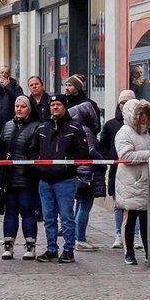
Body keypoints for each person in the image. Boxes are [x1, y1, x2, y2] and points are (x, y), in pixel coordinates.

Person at [35, 95, 92, 262]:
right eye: (52, 105)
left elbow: (82, 152)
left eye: (58, 104)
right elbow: (32, 150)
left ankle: (68, 249)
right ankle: (51, 248)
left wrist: (66, 165)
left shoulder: (75, 128)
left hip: (65, 180)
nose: (55, 108)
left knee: (67, 216)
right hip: (45, 181)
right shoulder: (42, 128)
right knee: (48, 217)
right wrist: (39, 167)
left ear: (64, 107)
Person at [0, 96, 42, 260]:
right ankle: (8, 245)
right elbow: (1, 149)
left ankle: (30, 246)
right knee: (10, 212)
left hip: (27, 179)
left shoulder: (36, 127)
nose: (19, 109)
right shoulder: (8, 126)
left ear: (29, 109)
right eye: (17, 106)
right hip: (8, 178)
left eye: (23, 106)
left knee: (28, 212)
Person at [112, 98, 150, 265]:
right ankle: (128, 252)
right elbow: (125, 156)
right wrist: (149, 154)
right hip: (131, 182)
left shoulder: (145, 132)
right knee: (129, 220)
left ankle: (149, 252)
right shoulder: (124, 132)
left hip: (144, 181)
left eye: (146, 114)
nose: (144, 118)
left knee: (146, 221)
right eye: (140, 114)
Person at [63, 76, 104, 249]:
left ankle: (74, 237)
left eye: (70, 84)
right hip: (87, 173)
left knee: (77, 205)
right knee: (84, 205)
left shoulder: (73, 127)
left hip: (76, 171)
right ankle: (79, 238)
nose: (67, 87)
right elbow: (93, 151)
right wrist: (103, 163)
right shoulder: (86, 130)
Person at [99, 90, 136, 249]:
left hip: (136, 170)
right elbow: (103, 146)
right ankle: (119, 235)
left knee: (136, 205)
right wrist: (112, 157)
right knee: (118, 204)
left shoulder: (142, 124)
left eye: (128, 103)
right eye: (122, 103)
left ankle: (135, 236)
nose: (125, 106)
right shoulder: (111, 124)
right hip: (117, 169)